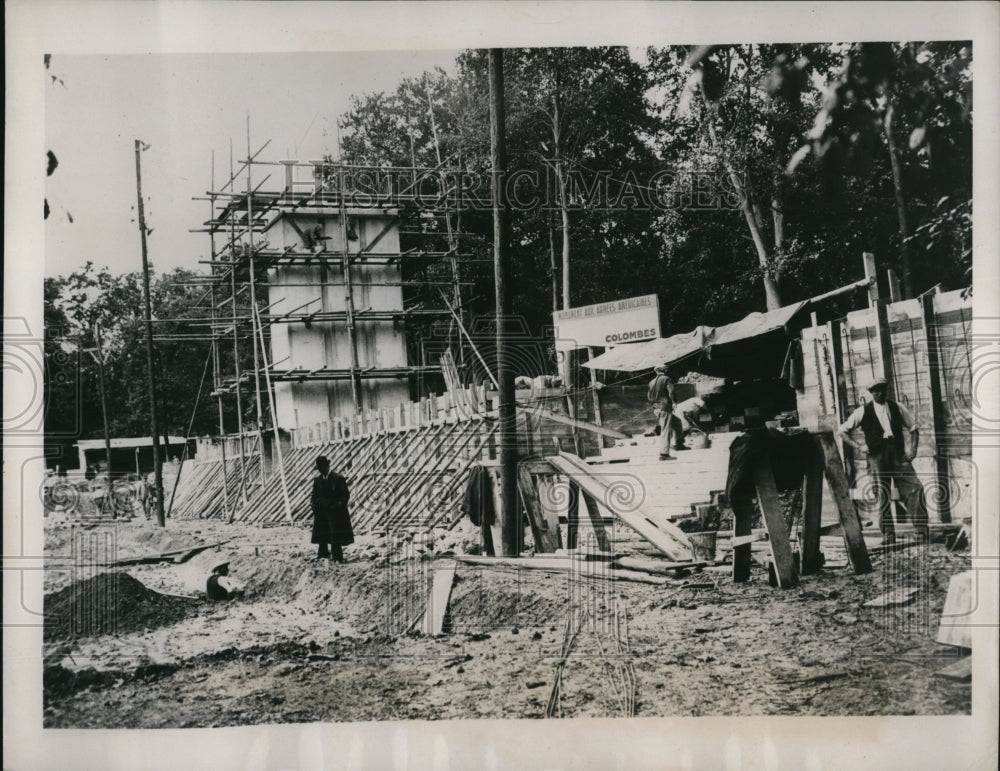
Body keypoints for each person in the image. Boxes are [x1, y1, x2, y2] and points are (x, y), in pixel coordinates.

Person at [838, 378, 929, 544]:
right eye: (875, 391)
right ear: (871, 393)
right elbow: (842, 431)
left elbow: (914, 429)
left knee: (915, 489)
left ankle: (922, 531)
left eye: (882, 390)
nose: (879, 393)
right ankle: (888, 534)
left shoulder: (897, 407)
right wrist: (859, 446)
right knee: (882, 494)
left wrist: (913, 451)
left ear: (886, 390)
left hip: (897, 454)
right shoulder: (862, 411)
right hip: (876, 456)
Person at [311, 455, 354, 562]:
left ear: (327, 466)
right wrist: (315, 506)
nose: (321, 470)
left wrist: (337, 506)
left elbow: (345, 495)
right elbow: (314, 496)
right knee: (322, 534)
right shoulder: (317, 480)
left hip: (335, 512)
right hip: (322, 512)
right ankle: (323, 555)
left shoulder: (338, 478)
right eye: (319, 468)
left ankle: (337, 557)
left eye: (322, 468)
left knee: (335, 535)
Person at [647, 365, 676, 460]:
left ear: (656, 371)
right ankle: (664, 454)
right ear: (665, 370)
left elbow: (649, 397)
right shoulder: (666, 379)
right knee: (666, 430)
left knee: (669, 427)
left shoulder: (651, 382)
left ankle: (669, 445)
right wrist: (674, 402)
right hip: (664, 407)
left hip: (656, 409)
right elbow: (671, 392)